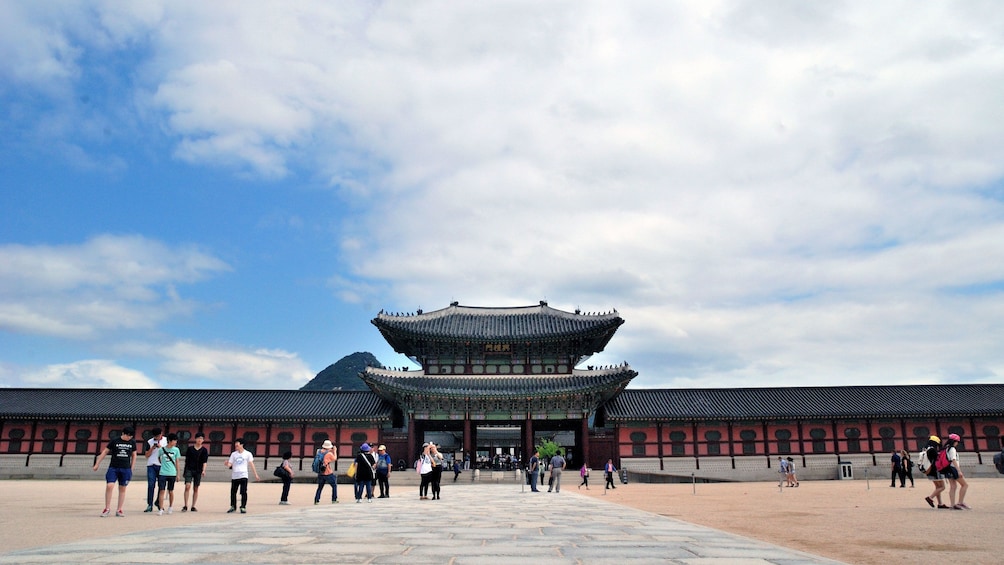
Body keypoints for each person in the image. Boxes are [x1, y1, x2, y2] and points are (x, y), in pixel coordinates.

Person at [92, 426, 136, 517]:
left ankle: (119, 509)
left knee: (122, 488)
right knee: (110, 485)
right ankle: (107, 508)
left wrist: (132, 468)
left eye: (130, 436)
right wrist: (97, 463)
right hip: (114, 467)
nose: (129, 438)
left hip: (125, 468)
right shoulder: (115, 440)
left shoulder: (132, 442)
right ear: (123, 434)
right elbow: (105, 451)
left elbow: (134, 455)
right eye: (127, 436)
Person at [225, 439, 259, 513]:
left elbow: (251, 464)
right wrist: (227, 464)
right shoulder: (233, 454)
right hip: (235, 475)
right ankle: (233, 506)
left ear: (242, 445)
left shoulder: (248, 454)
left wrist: (255, 474)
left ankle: (243, 506)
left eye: (238, 444)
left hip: (243, 474)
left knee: (243, 492)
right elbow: (230, 464)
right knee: (233, 492)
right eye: (236, 444)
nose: (236, 446)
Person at [182, 432, 208, 512]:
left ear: (203, 440)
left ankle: (193, 506)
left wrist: (203, 470)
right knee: (187, 486)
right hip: (189, 469)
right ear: (195, 439)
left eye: (201, 438)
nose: (199, 440)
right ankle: (185, 505)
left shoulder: (204, 450)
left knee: (196, 488)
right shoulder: (190, 449)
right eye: (198, 438)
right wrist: (185, 471)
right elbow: (187, 461)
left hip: (198, 470)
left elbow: (204, 461)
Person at [919, 435, 948, 509]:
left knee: (937, 487)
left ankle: (940, 503)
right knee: (942, 487)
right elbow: (937, 459)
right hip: (935, 470)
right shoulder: (932, 450)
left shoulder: (926, 449)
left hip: (929, 471)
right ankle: (930, 497)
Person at [156, 433, 181, 515]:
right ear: (169, 441)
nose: (175, 442)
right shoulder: (161, 450)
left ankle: (170, 506)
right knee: (162, 490)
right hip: (163, 472)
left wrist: (178, 474)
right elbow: (159, 458)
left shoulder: (176, 450)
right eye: (174, 440)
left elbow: (177, 462)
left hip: (172, 473)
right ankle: (161, 508)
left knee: (171, 491)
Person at [943, 433, 970, 510]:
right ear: (954, 441)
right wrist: (959, 471)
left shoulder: (946, 448)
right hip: (953, 468)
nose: (957, 443)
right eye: (957, 441)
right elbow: (953, 460)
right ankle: (960, 502)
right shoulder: (952, 449)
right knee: (965, 485)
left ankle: (952, 504)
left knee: (953, 487)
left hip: (947, 469)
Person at [144, 427, 167, 512]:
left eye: (157, 436)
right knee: (151, 484)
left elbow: (169, 452)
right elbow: (146, 455)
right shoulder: (150, 442)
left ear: (161, 434)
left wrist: (161, 448)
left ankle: (158, 501)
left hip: (162, 465)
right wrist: (152, 448)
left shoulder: (166, 441)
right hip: (151, 464)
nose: (156, 438)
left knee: (161, 485)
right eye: (155, 436)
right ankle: (149, 504)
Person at [314, 439, 339, 504]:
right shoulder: (329, 454)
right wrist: (335, 451)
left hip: (320, 472)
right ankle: (334, 499)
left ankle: (316, 500)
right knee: (334, 486)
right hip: (328, 472)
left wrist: (330, 450)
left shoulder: (318, 451)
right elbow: (335, 458)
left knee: (320, 487)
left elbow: (324, 453)